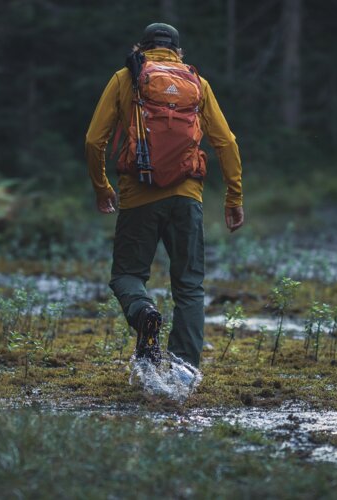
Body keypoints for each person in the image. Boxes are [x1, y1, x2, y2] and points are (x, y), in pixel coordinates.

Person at [85, 22, 244, 369]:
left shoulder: (124, 79)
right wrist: (234, 198)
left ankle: (143, 312)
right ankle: (185, 371)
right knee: (188, 286)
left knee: (127, 276)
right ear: (178, 52)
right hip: (188, 199)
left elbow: (94, 141)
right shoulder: (197, 84)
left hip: (138, 197)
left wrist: (102, 188)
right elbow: (226, 142)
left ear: (140, 47)